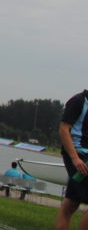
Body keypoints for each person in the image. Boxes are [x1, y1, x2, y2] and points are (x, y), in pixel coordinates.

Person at [54, 89, 88, 230]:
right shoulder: (79, 101)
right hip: (77, 155)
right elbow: (63, 129)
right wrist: (75, 159)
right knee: (70, 204)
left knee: (71, 203)